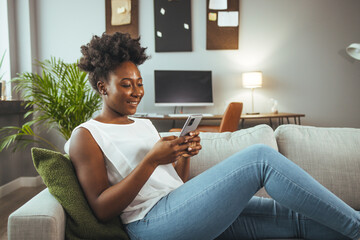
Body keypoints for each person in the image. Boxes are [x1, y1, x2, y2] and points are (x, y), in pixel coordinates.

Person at [66, 32, 360, 240]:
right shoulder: (87, 135)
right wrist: (150, 162)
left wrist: (182, 155)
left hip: (181, 209)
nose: (137, 92)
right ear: (103, 87)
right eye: (126, 84)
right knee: (260, 158)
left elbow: (175, 184)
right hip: (149, 225)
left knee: (297, 217)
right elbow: (102, 209)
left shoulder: (141, 124)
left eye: (140, 83)